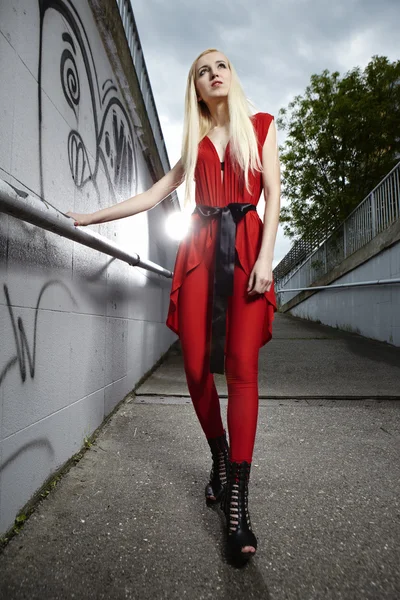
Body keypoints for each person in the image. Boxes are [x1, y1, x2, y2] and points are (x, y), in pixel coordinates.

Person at [67, 47, 280, 564]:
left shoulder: (261, 125)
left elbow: (273, 195)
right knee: (193, 367)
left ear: (233, 73)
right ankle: (219, 458)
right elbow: (153, 194)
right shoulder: (194, 139)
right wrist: (88, 218)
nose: (214, 74)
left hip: (249, 247)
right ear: (196, 87)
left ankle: (237, 504)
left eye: (221, 66)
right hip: (201, 252)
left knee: (242, 368)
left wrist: (267, 258)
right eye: (203, 71)